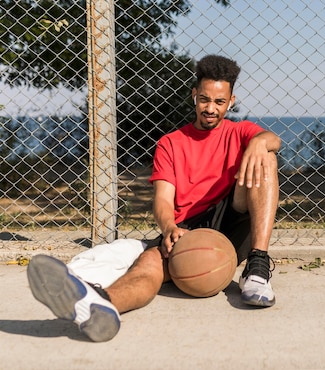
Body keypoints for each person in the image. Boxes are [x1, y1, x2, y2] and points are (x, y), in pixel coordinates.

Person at [26, 54, 281, 342]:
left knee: (265, 159)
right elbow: (162, 200)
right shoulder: (170, 143)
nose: (210, 108)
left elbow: (274, 139)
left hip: (231, 217)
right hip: (186, 231)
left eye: (219, 102)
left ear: (231, 101)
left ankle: (257, 268)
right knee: (147, 264)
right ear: (194, 95)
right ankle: (101, 304)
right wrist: (169, 227)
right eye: (205, 100)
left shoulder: (241, 132)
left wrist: (259, 143)